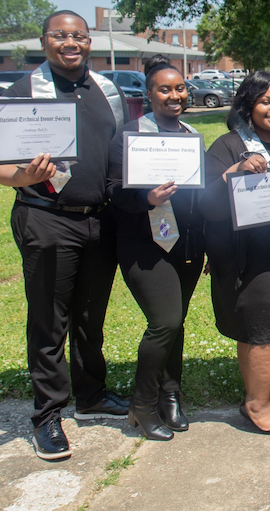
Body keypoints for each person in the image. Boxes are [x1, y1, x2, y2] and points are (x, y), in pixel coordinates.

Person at [0, 10, 129, 460]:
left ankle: (90, 395)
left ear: (89, 42)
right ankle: (47, 414)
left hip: (100, 220)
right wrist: (23, 175)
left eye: (79, 36)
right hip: (46, 217)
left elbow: (120, 150)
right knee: (50, 319)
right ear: (44, 41)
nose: (71, 42)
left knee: (91, 315)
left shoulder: (107, 90)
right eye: (61, 35)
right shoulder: (21, 94)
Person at [200, 71, 270, 435]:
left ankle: (258, 393)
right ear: (248, 105)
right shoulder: (228, 146)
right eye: (266, 101)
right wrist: (235, 170)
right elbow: (204, 202)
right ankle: (257, 405)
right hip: (245, 257)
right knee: (265, 329)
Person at [107, 56, 204, 441]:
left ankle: (171, 395)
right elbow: (112, 191)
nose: (174, 95)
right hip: (143, 245)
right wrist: (146, 197)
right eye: (164, 89)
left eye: (179, 88)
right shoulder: (129, 136)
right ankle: (142, 405)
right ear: (149, 94)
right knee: (164, 322)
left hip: (186, 244)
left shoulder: (190, 134)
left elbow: (202, 196)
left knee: (175, 323)